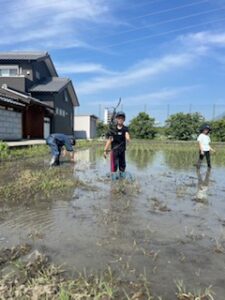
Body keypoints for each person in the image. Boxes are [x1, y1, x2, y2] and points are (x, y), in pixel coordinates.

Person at [104, 111, 130, 179]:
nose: (120, 119)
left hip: (122, 151)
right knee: (114, 168)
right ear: (116, 119)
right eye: (119, 118)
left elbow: (127, 135)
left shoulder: (125, 128)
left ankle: (121, 182)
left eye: (122, 118)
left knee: (122, 167)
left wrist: (128, 139)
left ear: (124, 119)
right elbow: (109, 140)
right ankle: (113, 185)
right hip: (114, 152)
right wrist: (105, 150)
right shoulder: (113, 129)